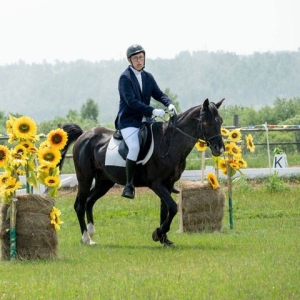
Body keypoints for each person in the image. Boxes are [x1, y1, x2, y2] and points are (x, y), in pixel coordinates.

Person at [115, 44, 177, 199]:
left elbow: (158, 93)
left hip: (145, 120)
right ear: (130, 60)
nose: (139, 60)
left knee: (162, 141)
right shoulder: (125, 78)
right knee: (134, 147)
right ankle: (129, 185)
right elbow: (131, 102)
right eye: (135, 58)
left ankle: (166, 179)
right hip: (129, 121)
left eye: (141, 57)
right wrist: (152, 111)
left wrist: (169, 103)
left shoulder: (148, 77)